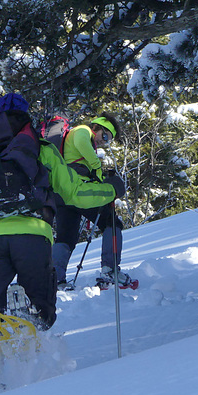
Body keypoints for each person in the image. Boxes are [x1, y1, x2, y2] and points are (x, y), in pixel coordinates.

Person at [0, 93, 121, 395]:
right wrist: (112, 189)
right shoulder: (39, 148)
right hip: (33, 234)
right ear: (27, 117)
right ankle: (34, 326)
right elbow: (75, 193)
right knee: (44, 311)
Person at [51, 113, 132, 290]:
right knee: (111, 221)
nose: (104, 142)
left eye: (107, 140)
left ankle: (56, 278)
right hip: (79, 190)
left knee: (66, 236)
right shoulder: (82, 131)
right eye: (104, 136)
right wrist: (97, 168)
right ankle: (110, 270)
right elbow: (81, 142)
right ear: (96, 127)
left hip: (63, 193)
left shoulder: (74, 135)